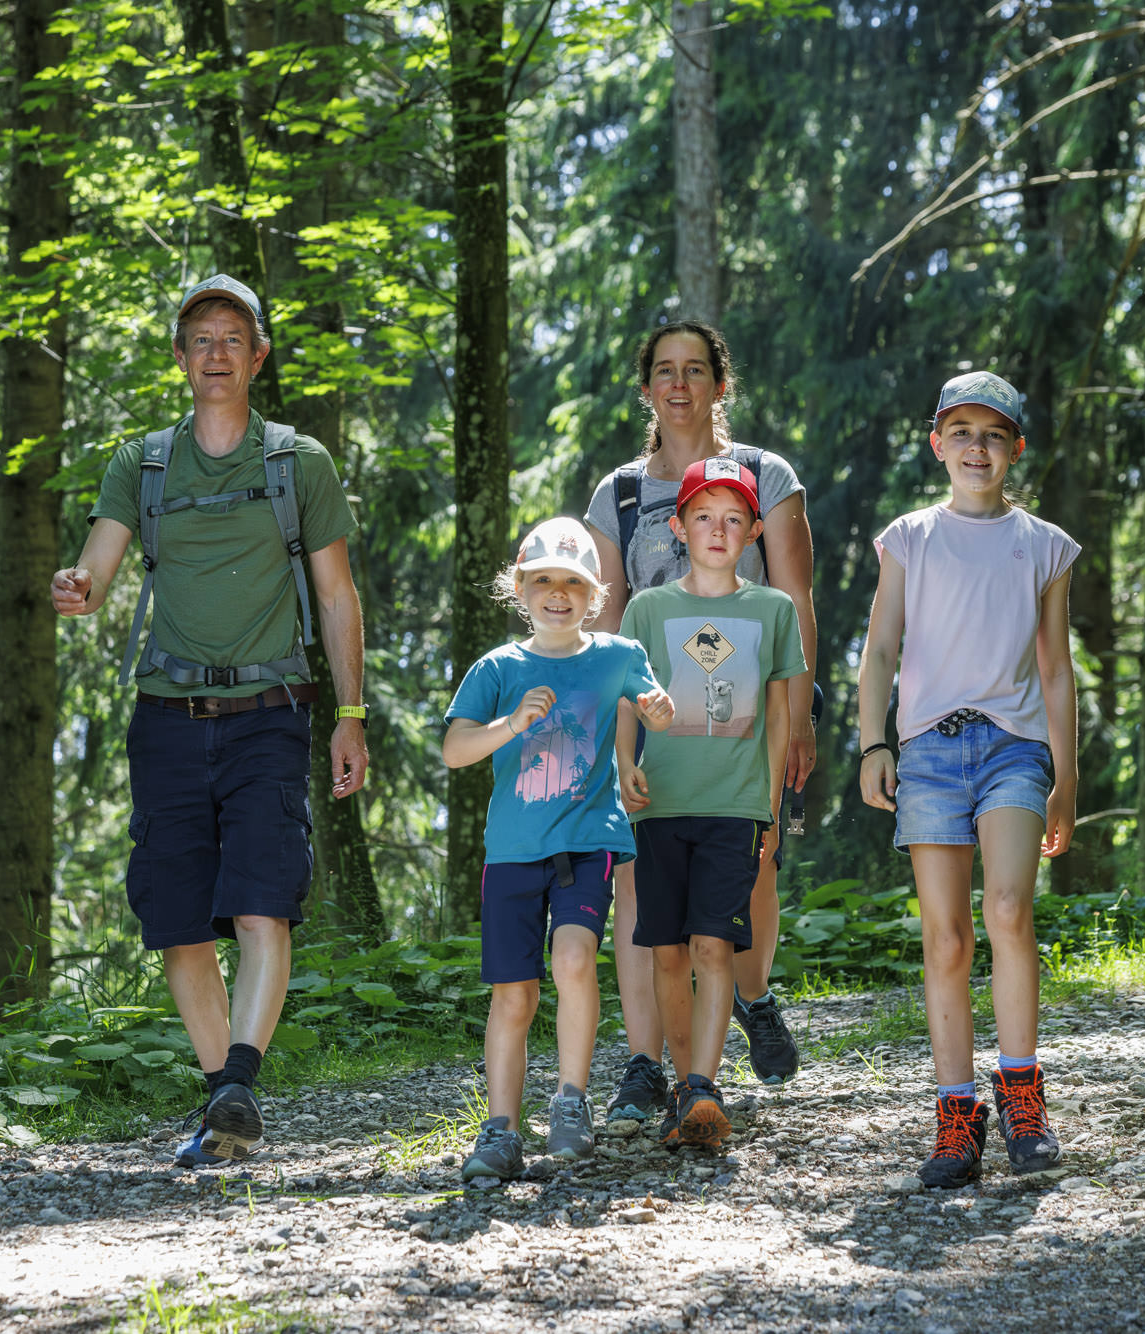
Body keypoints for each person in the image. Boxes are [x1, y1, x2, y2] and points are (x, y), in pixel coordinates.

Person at [48, 274, 370, 1168]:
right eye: (201, 339)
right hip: (167, 718)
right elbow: (95, 572)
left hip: (270, 713)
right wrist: (76, 587)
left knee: (265, 905)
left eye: (233, 337)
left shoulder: (298, 463)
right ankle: (224, 1101)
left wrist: (350, 714)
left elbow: (337, 597)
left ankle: (239, 1083)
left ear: (258, 357)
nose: (216, 352)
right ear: (181, 358)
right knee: (179, 924)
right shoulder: (142, 465)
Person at [583, 321, 819, 1127]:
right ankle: (647, 1064)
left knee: (755, 865)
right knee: (636, 884)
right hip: (652, 716)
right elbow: (607, 619)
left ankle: (753, 996)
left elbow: (795, 597)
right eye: (664, 370)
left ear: (721, 384)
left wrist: (803, 712)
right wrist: (603, 732)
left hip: (751, 711)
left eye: (695, 370)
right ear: (646, 386)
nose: (678, 384)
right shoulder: (618, 496)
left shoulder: (766, 476)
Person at [855, 371, 1078, 1189]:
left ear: (1014, 448)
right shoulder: (910, 538)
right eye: (961, 433)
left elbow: (1055, 670)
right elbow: (881, 649)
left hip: (1015, 748)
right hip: (928, 754)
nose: (976, 448)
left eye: (992, 435)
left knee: (1009, 909)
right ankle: (957, 1115)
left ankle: (1023, 1094)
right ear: (937, 444)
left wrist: (1065, 779)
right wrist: (873, 744)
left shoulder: (1044, 546)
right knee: (946, 938)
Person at [442, 518, 675, 1180]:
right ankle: (500, 1130)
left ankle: (571, 1103)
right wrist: (510, 723)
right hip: (512, 853)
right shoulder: (497, 668)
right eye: (542, 579)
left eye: (573, 582)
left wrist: (658, 711)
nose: (557, 593)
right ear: (519, 589)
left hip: (586, 840)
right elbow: (455, 750)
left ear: (594, 594)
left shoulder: (617, 654)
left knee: (573, 961)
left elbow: (651, 702)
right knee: (514, 995)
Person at [618, 459, 807, 1146]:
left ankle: (703, 1086)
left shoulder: (772, 610)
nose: (718, 530)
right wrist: (623, 765)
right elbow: (626, 697)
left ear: (755, 532)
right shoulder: (648, 610)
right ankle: (680, 1086)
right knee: (668, 951)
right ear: (678, 527)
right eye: (703, 517)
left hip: (735, 806)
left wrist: (771, 803)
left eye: (734, 519)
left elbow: (781, 712)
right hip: (660, 806)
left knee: (712, 943)